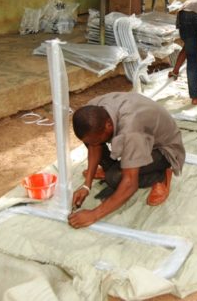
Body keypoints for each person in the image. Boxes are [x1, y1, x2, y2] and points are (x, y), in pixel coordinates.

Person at [68, 92, 186, 229]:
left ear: (108, 125)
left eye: (98, 140)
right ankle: (115, 166)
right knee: (92, 142)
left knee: (115, 178)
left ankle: (160, 176)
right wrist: (86, 186)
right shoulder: (92, 110)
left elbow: (131, 184)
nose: (94, 145)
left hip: (163, 150)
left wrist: (93, 215)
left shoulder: (131, 129)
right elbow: (93, 145)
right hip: (140, 139)